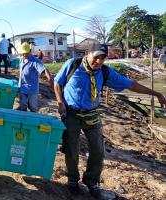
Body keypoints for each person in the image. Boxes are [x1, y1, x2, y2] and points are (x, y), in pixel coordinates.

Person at [54, 44, 166, 198]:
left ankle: (92, 181)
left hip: (91, 114)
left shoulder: (105, 72)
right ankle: (73, 180)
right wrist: (60, 103)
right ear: (87, 53)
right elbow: (57, 83)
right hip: (71, 114)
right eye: (96, 57)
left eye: (103, 58)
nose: (99, 61)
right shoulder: (73, 65)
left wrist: (156, 93)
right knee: (71, 149)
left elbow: (130, 84)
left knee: (98, 151)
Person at [17, 42, 53, 112]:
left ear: (30, 51)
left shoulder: (35, 61)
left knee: (33, 108)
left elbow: (44, 70)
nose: (24, 55)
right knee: (23, 107)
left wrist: (50, 80)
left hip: (32, 89)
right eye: (23, 53)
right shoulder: (21, 60)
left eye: (26, 53)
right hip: (22, 88)